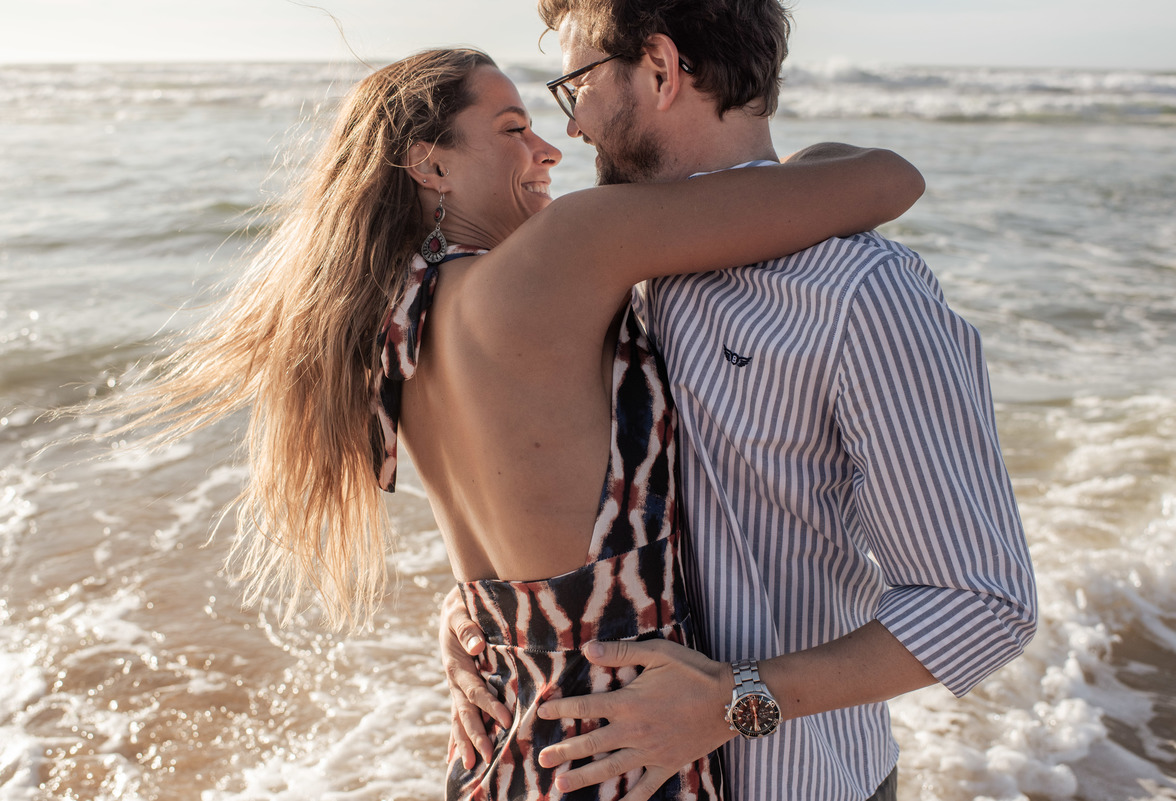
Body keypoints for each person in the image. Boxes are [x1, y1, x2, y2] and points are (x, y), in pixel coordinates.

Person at [101, 48, 924, 800]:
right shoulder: (562, 254)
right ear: (430, 164)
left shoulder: (386, 330)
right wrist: (811, 158)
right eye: (513, 129)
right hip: (626, 754)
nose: (549, 150)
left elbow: (512, 552)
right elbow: (890, 180)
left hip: (501, 747)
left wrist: (459, 623)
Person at [441, 3, 1039, 800]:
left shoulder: (860, 293)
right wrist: (485, 610)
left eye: (577, 82)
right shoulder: (607, 277)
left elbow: (984, 602)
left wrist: (736, 701)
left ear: (659, 67)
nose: (574, 126)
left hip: (801, 780)